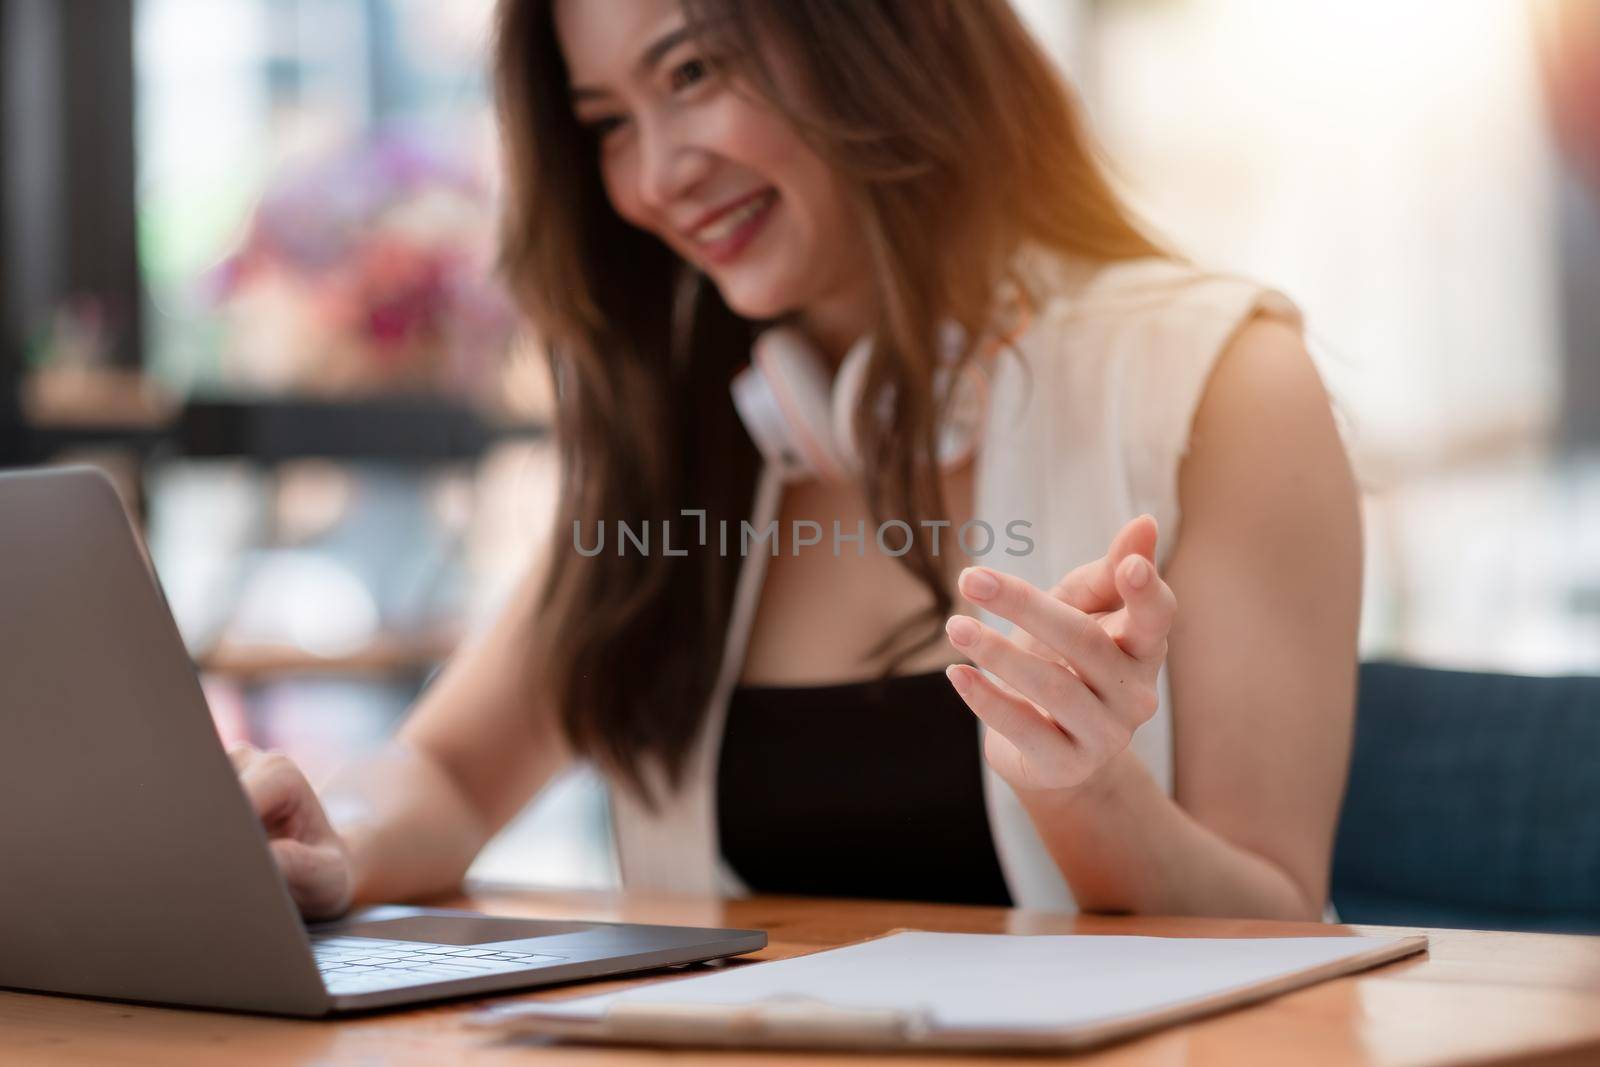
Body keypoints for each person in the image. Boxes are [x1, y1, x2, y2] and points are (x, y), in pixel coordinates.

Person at [230, 0, 1362, 922]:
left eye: (689, 74)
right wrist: (334, 841)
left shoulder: (1223, 380)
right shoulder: (682, 431)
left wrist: (1087, 784)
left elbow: (1271, 914)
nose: (655, 175)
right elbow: (453, 771)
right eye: (608, 121)